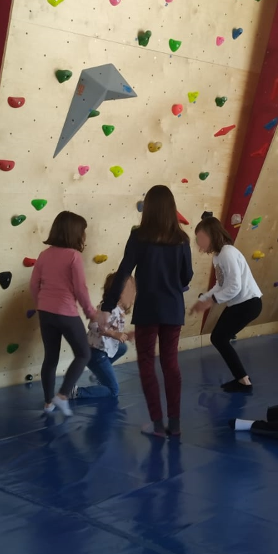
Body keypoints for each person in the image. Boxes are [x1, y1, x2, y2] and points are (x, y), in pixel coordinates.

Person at [99, 185, 193, 438]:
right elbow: (188, 275)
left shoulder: (139, 237)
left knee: (146, 363)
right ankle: (175, 423)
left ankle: (158, 423)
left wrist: (107, 306)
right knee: (170, 363)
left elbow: (123, 272)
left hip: (148, 309)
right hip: (173, 308)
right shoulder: (182, 239)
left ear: (148, 209)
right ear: (172, 209)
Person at [29, 211, 96, 416]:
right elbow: (80, 289)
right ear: (74, 233)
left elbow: (34, 285)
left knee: (50, 358)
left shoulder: (44, 254)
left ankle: (48, 403)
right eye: (83, 232)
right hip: (65, 312)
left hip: (45, 313)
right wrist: (90, 312)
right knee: (84, 353)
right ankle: (62, 395)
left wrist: (41, 304)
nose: (84, 236)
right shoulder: (73, 256)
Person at [190, 216, 262, 394]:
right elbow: (221, 284)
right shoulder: (218, 256)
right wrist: (203, 300)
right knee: (219, 338)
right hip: (240, 304)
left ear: (211, 235)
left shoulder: (227, 253)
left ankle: (243, 381)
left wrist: (211, 301)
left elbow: (235, 286)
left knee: (219, 338)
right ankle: (243, 379)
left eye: (201, 238)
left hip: (248, 303)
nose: (199, 243)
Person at [72, 274, 135, 400]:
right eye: (130, 291)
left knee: (122, 348)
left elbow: (113, 330)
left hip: (101, 350)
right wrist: (112, 334)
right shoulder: (107, 308)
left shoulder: (119, 310)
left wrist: (126, 335)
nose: (133, 294)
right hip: (94, 352)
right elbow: (93, 324)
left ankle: (98, 373)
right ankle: (76, 392)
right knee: (113, 390)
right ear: (118, 292)